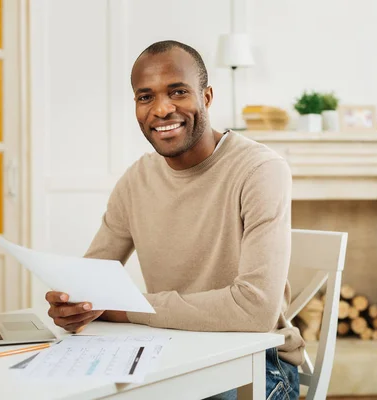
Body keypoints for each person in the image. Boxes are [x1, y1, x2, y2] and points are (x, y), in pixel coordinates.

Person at [44, 40, 304, 400]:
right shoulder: (137, 179)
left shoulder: (261, 170)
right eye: (145, 97)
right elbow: (94, 279)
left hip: (257, 362)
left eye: (178, 92)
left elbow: (254, 310)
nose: (162, 109)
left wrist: (125, 309)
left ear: (207, 97)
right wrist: (75, 303)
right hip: (171, 354)